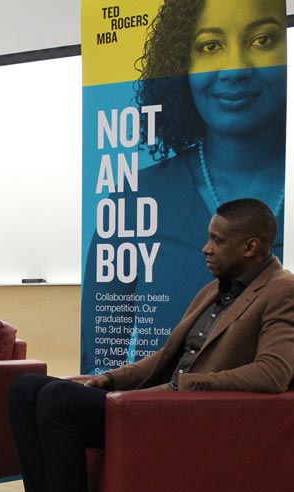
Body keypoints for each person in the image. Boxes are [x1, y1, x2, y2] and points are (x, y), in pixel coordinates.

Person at [0, 199, 294, 492]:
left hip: (185, 420)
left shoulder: (282, 291)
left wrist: (188, 387)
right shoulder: (213, 291)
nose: (205, 248)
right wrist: (111, 378)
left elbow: (273, 373)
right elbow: (165, 356)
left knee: (58, 401)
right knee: (28, 389)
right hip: (151, 409)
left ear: (251, 247)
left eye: (217, 241)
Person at [80, 0, 287, 373]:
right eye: (210, 46)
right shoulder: (133, 198)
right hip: (152, 406)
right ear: (182, 65)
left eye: (261, 39)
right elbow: (99, 354)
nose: (236, 69)